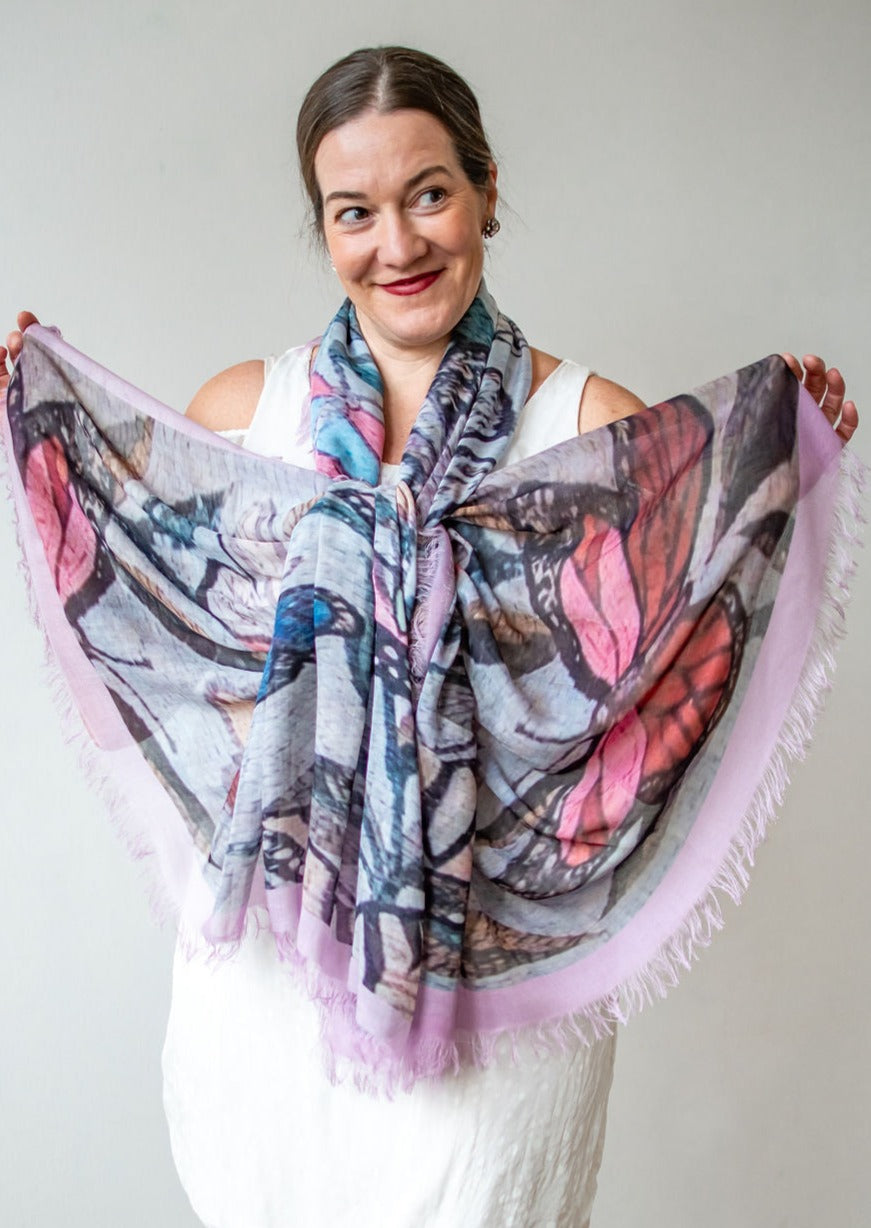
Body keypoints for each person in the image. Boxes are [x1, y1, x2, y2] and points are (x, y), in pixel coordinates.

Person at [1, 44, 861, 1228]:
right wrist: (47, 427)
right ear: (323, 226)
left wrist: (776, 468)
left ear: (486, 190)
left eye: (429, 194)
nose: (396, 243)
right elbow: (158, 664)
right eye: (354, 211)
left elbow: (666, 689)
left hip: (488, 1013)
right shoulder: (246, 416)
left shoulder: (593, 433)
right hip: (269, 1003)